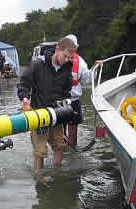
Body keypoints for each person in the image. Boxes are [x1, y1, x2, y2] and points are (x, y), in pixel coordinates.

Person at [17, 37, 77, 169]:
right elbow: (24, 84)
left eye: (70, 58)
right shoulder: (38, 64)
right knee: (40, 152)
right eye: (65, 56)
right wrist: (25, 100)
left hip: (57, 114)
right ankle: (39, 178)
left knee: (60, 145)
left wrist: (66, 108)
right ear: (58, 50)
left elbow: (67, 91)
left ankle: (57, 173)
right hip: (39, 114)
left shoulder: (67, 68)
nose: (67, 60)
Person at [64, 34, 102, 146]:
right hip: (58, 100)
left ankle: (72, 153)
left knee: (73, 131)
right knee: (59, 133)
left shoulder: (79, 61)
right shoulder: (56, 58)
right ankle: (62, 153)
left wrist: (95, 68)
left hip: (74, 100)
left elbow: (86, 79)